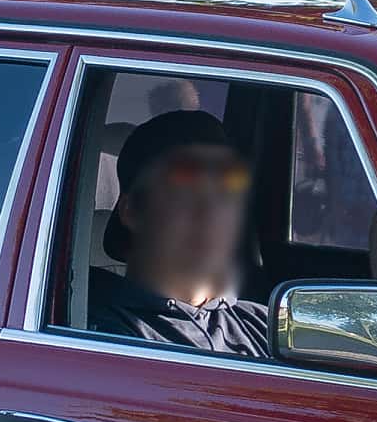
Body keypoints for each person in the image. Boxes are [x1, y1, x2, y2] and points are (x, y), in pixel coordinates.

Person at [86, 112, 278, 358]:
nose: (211, 212)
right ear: (132, 211)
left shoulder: (261, 324)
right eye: (187, 192)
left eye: (226, 192)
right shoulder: (104, 337)